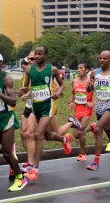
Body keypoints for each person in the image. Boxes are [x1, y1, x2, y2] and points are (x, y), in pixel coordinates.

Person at [20, 46, 73, 180]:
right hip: (35, 106)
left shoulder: (52, 69)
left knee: (38, 134)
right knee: (48, 136)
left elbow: (62, 85)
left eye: (40, 54)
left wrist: (57, 93)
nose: (37, 56)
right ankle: (64, 139)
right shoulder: (28, 70)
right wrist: (22, 92)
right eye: (35, 54)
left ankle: (35, 169)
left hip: (48, 106)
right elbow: (26, 87)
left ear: (46, 56)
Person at [0, 52, 27, 191]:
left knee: (6, 154)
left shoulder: (7, 79)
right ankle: (9, 151)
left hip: (6, 119)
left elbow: (13, 101)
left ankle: (20, 178)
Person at [58, 63, 96, 161]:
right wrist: (71, 102)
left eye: (81, 68)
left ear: (87, 70)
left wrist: (92, 103)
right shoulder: (74, 81)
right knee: (76, 135)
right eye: (78, 68)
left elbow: (97, 95)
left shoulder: (90, 82)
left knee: (81, 130)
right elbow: (73, 93)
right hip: (77, 110)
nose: (78, 70)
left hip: (87, 110)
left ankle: (82, 153)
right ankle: (92, 128)